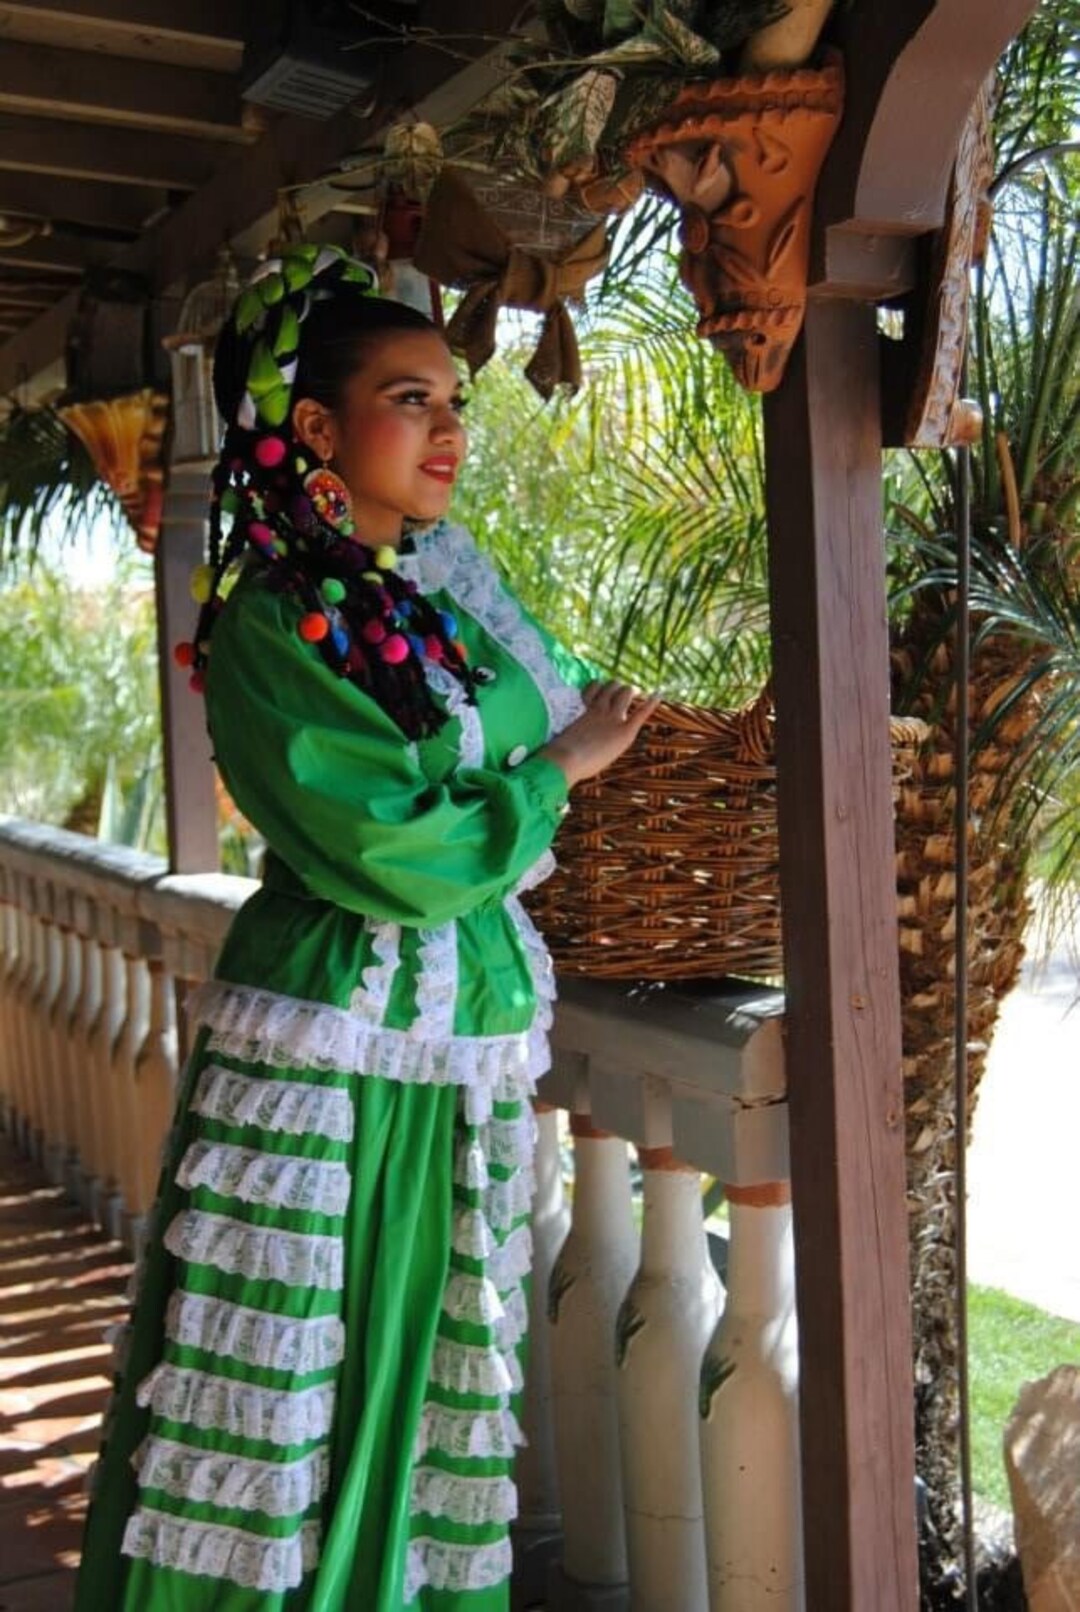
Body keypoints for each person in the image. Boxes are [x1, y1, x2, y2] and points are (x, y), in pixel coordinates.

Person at [75, 243, 658, 1611]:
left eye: (456, 401)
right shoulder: (275, 627)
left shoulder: (432, 599)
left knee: (416, 1375)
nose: (450, 430)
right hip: (330, 1053)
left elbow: (541, 701)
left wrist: (553, 747)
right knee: (288, 1402)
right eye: (413, 398)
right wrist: (557, 772)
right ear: (319, 430)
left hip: (456, 1058)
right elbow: (402, 854)